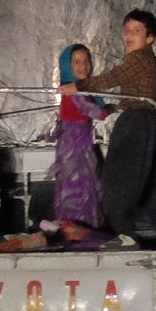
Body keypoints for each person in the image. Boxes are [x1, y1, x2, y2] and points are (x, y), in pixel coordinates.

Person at [88, 7, 156, 241]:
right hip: (153, 124)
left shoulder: (138, 58)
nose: (128, 36)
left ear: (149, 37)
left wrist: (78, 86)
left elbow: (113, 78)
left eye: (136, 31)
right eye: (127, 30)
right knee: (149, 180)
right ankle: (149, 234)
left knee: (118, 181)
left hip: (134, 124)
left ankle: (122, 232)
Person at [49, 43, 107, 233]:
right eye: (77, 62)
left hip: (78, 146)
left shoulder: (77, 89)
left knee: (81, 186)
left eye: (86, 61)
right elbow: (96, 112)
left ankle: (79, 229)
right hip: (74, 149)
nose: (84, 66)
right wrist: (116, 107)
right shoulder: (73, 91)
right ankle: (78, 230)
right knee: (78, 188)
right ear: (68, 66)